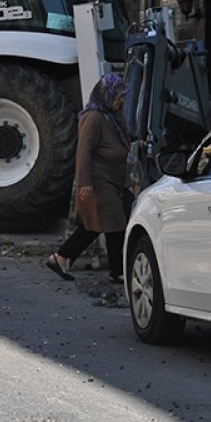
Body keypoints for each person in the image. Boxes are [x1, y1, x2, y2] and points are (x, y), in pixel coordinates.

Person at [47, 73, 130, 284]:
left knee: (95, 225)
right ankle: (117, 271)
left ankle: (62, 257)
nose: (121, 101)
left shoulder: (110, 116)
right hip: (99, 181)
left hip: (112, 181)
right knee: (114, 224)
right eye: (118, 96)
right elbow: (83, 151)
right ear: (107, 94)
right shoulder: (93, 118)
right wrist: (85, 183)